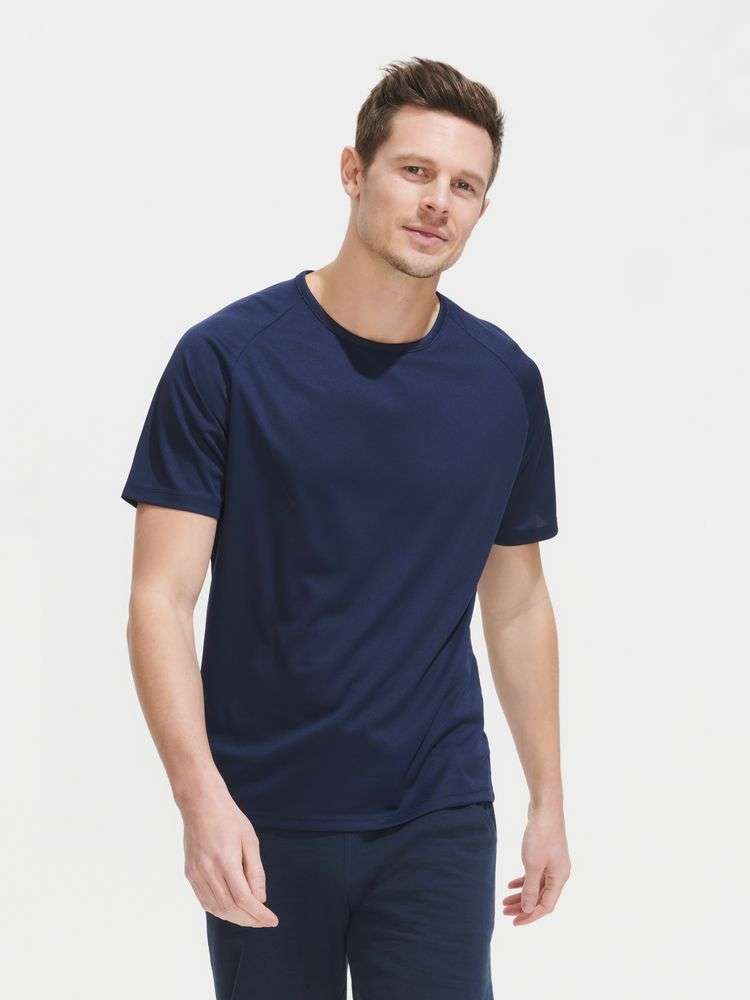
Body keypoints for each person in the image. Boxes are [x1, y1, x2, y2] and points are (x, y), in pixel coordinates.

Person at [121, 55, 571, 1000]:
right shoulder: (227, 361)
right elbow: (160, 598)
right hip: (265, 818)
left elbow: (517, 601)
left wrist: (549, 801)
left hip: (438, 811)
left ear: (483, 208)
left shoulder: (503, 382)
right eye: (415, 170)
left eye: (465, 186)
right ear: (353, 171)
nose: (437, 201)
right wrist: (200, 801)